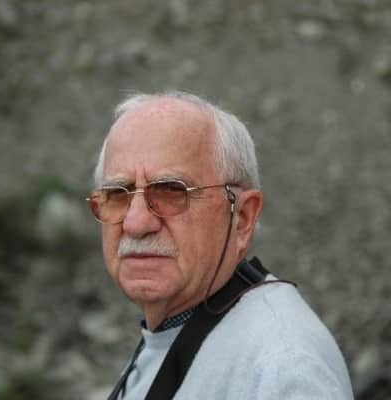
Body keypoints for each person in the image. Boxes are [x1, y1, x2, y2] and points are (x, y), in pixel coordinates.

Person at [87, 91, 354, 399]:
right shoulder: (176, 328)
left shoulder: (281, 368)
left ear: (242, 218)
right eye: (117, 194)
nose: (135, 223)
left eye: (172, 191)